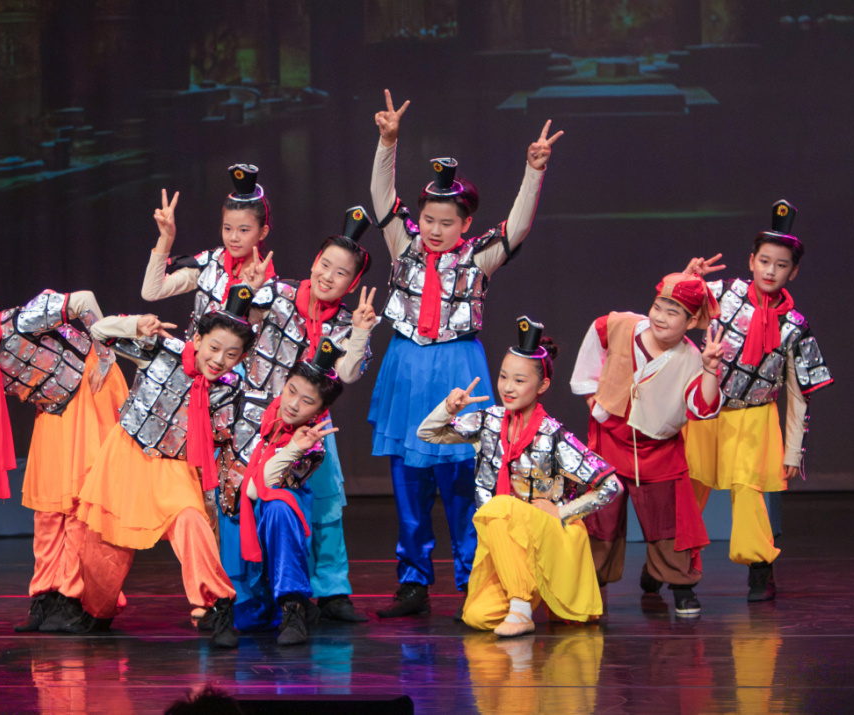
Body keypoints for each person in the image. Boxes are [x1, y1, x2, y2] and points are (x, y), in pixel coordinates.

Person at [367, 89, 562, 618]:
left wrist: (533, 171)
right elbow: (382, 197)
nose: (435, 230)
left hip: (458, 366)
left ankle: (473, 578)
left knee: (462, 480)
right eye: (429, 219)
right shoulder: (403, 244)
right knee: (409, 483)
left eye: (446, 222)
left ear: (466, 224)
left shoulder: (478, 259)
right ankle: (413, 581)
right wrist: (388, 142)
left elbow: (518, 227)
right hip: (407, 366)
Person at [0, 263, 128, 632]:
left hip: (90, 389)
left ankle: (75, 598)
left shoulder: (23, 320)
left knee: (80, 507)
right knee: (47, 510)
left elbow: (84, 300)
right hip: (54, 409)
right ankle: (47, 597)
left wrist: (106, 355)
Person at [216, 206, 379, 626]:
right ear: (314, 261)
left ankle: (332, 591)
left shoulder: (346, 323)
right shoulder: (278, 295)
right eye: (325, 264)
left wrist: (361, 330)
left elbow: (348, 373)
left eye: (341, 273)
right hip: (257, 423)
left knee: (325, 508)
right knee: (245, 504)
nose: (328, 276)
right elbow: (237, 326)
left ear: (352, 283)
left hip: (311, 427)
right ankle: (255, 594)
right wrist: (246, 291)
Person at [75, 285, 257, 648]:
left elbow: (227, 439)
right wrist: (136, 324)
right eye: (214, 348)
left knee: (192, 524)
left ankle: (219, 605)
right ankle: (97, 611)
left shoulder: (231, 388)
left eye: (231, 354)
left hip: (174, 466)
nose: (219, 360)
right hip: (126, 455)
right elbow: (99, 331)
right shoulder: (162, 350)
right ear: (198, 338)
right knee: (105, 542)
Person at [418, 317, 621, 636]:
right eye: (503, 377)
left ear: (542, 386)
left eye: (519, 380)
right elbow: (427, 433)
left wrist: (562, 512)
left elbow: (611, 485)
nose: (507, 387)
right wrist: (449, 408)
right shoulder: (488, 421)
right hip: (507, 543)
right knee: (478, 617)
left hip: (546, 537)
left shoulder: (554, 436)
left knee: (499, 507)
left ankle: (521, 608)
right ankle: (521, 598)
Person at [683, 201, 832, 602]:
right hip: (706, 410)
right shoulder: (722, 295)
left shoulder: (795, 327)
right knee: (689, 489)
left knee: (749, 495)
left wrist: (793, 450)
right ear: (751, 261)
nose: (770, 270)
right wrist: (687, 280)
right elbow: (671, 313)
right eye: (764, 261)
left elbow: (798, 393)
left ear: (793, 272)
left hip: (753, 417)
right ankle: (670, 564)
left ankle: (760, 570)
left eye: (780, 265)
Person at [570, 271, 725, 617]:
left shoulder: (691, 359)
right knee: (601, 516)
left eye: (673, 312)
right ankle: (590, 583)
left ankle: (680, 584)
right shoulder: (623, 326)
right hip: (611, 439)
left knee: (668, 519)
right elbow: (597, 334)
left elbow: (701, 407)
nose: (660, 317)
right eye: (658, 307)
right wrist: (591, 396)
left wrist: (711, 369)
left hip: (659, 449)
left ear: (691, 321)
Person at [232, 337, 344, 645]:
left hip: (275, 517)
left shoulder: (312, 446)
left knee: (279, 506)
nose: (293, 404)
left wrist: (294, 447)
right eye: (291, 391)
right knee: (247, 620)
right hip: (236, 511)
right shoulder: (257, 414)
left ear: (320, 411)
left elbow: (259, 488)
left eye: (307, 401)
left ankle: (293, 606)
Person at [141, 164, 276, 336]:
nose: (233, 237)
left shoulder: (268, 287)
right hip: (194, 352)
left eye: (243, 230)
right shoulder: (211, 263)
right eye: (227, 228)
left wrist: (250, 289)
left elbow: (225, 337)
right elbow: (151, 292)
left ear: (263, 232)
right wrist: (166, 238)